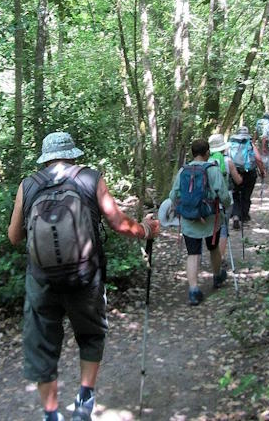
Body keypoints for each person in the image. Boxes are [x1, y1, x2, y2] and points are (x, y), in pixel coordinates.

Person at [8, 131, 160, 421]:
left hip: (41, 281)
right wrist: (146, 229)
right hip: (85, 277)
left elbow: (14, 236)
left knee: (42, 346)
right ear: (72, 154)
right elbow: (119, 223)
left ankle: (51, 414)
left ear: (45, 158)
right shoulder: (90, 179)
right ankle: (84, 401)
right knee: (90, 336)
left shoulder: (28, 185)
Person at [169, 138, 232, 305]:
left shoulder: (183, 170)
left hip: (189, 220)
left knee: (193, 254)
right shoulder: (213, 170)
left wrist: (183, 208)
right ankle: (217, 277)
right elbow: (223, 195)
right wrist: (227, 206)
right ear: (207, 153)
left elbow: (173, 195)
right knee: (213, 248)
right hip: (211, 219)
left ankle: (193, 291)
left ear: (192, 153)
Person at [207, 133, 243, 266]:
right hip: (226, 199)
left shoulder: (206, 162)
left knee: (212, 228)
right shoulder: (228, 161)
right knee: (223, 228)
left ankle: (213, 256)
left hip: (210, 200)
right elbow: (237, 180)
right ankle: (220, 257)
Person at [227, 126, 266, 228]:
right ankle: (244, 218)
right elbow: (258, 159)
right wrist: (262, 171)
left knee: (235, 195)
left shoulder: (231, 144)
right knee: (246, 195)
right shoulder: (250, 144)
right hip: (249, 173)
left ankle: (236, 216)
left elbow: (226, 159)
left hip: (235, 172)